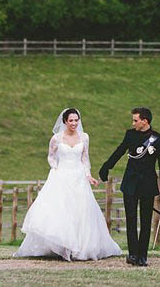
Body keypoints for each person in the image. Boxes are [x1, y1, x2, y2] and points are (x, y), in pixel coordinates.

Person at [14, 108, 121, 261]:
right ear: (65, 122)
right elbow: (51, 157)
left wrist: (88, 175)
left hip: (78, 177)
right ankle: (63, 246)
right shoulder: (56, 138)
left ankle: (79, 248)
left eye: (76, 120)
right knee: (62, 210)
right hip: (62, 176)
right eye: (71, 120)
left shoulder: (84, 137)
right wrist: (55, 168)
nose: (74, 123)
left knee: (81, 211)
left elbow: (85, 159)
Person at [99, 107, 160, 267]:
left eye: (135, 120)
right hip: (130, 183)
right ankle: (132, 254)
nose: (133, 123)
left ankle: (142, 256)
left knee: (146, 221)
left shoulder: (158, 140)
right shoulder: (130, 135)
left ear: (144, 121)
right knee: (131, 219)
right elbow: (120, 151)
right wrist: (107, 166)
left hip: (147, 184)